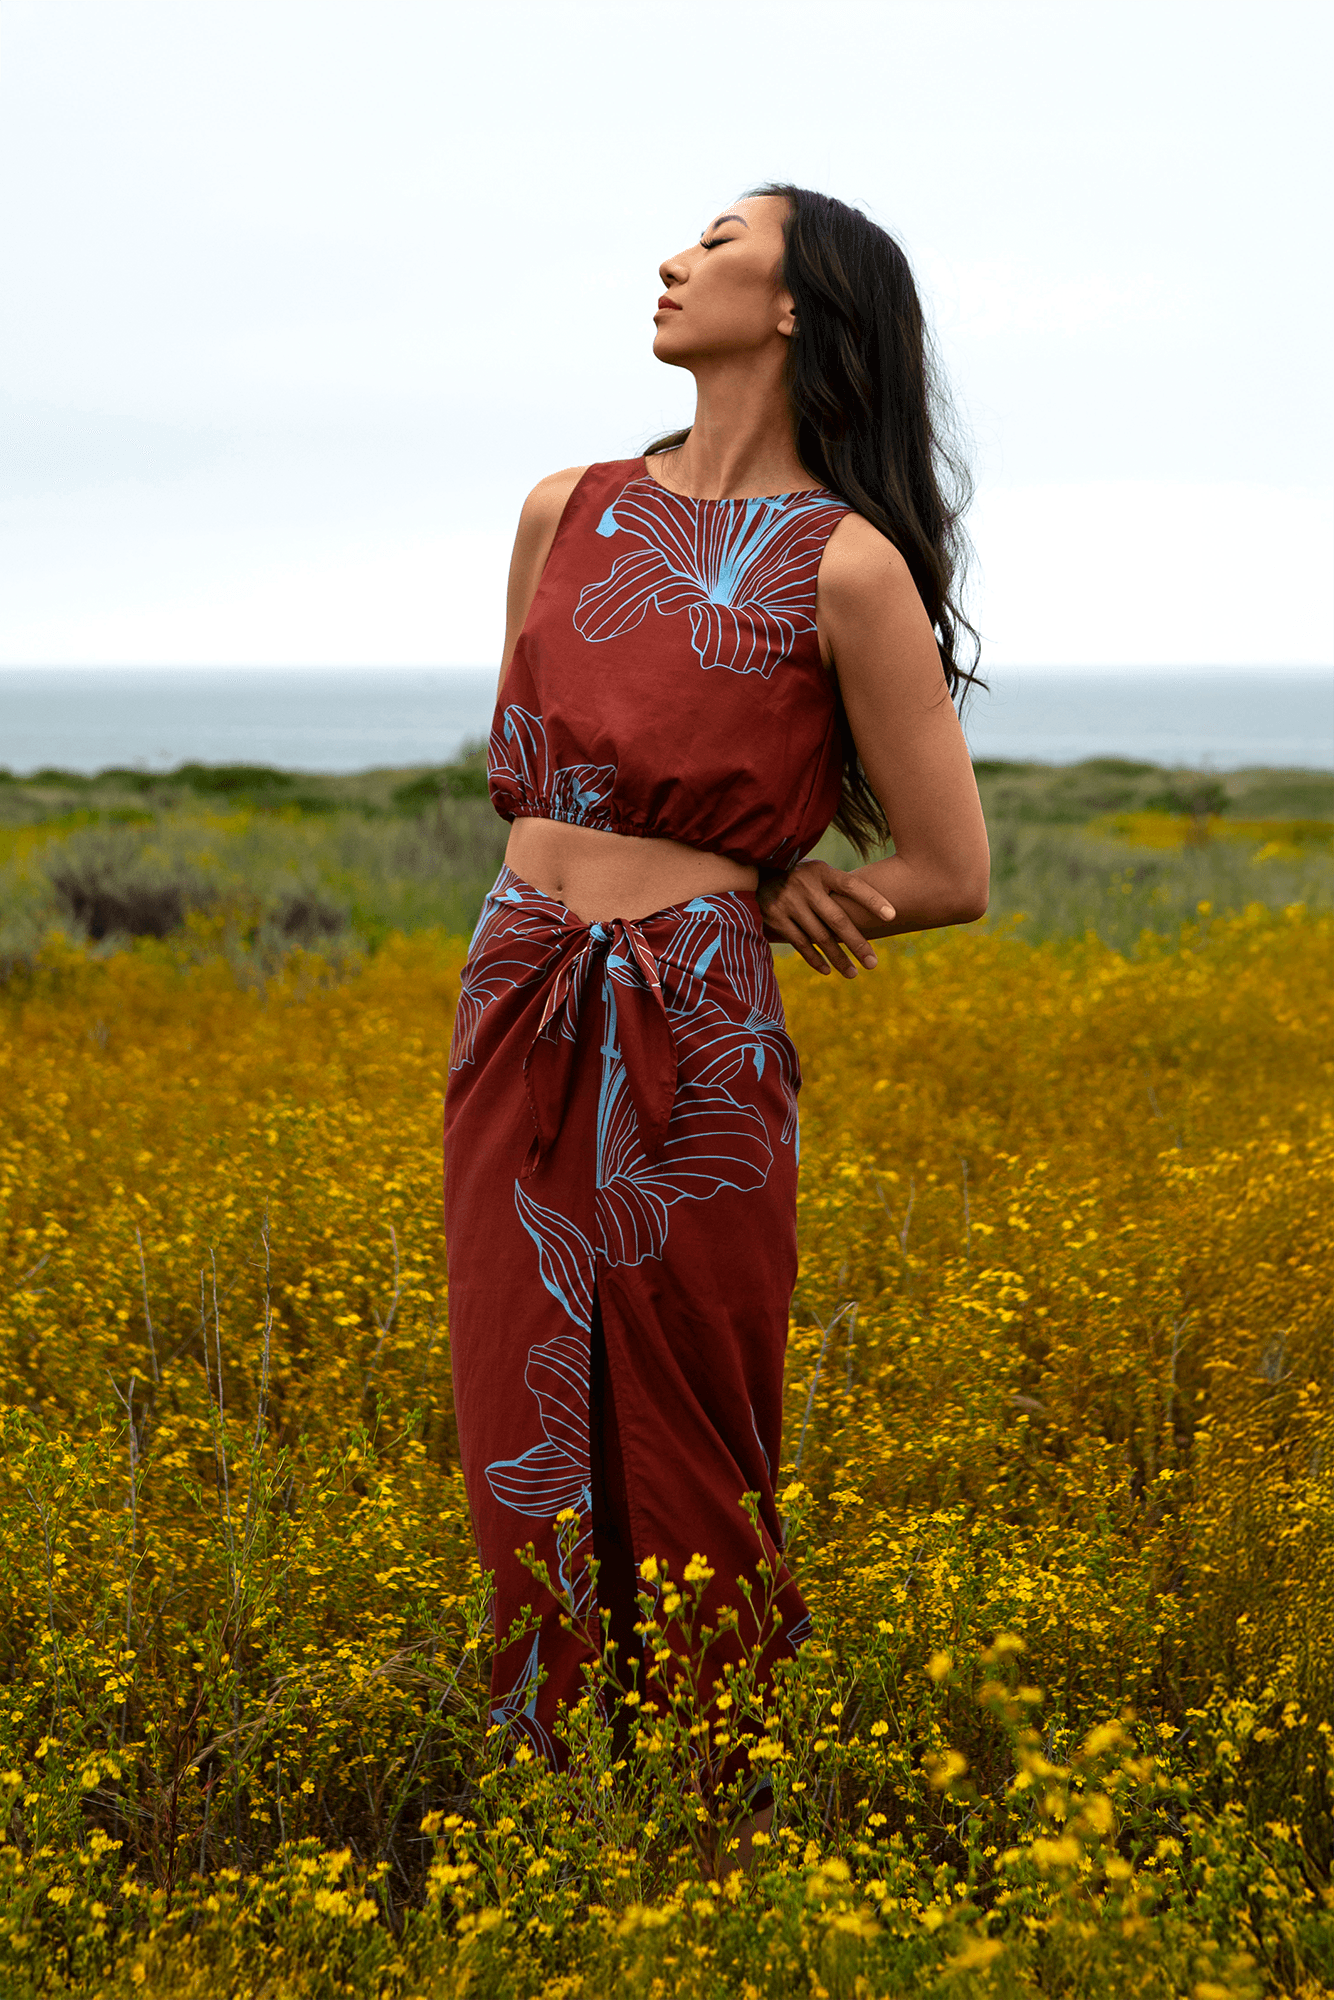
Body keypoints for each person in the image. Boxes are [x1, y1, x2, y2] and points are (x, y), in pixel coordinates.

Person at [442, 184, 990, 1858]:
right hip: (524, 982)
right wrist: (720, 877)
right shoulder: (568, 508)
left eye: (714, 241)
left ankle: (708, 1812)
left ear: (801, 304)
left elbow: (949, 869)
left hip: (698, 1025)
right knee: (517, 1401)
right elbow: (524, 777)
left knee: (690, 1403)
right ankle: (550, 1800)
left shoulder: (851, 566)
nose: (672, 262)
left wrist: (761, 893)